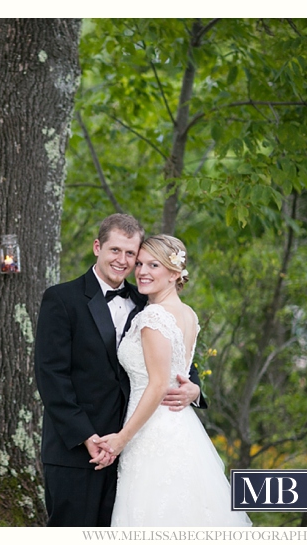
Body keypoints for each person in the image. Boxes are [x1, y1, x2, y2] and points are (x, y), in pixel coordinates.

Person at [34, 214, 205, 527]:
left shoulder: (148, 300)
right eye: (115, 250)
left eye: (131, 254)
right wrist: (87, 436)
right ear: (98, 247)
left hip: (134, 444)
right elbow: (51, 377)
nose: (123, 261)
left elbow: (176, 354)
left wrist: (194, 388)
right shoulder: (62, 299)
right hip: (77, 449)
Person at [95, 234, 251, 527]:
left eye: (154, 265)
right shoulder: (187, 314)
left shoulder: (154, 315)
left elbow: (157, 385)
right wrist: (192, 390)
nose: (142, 271)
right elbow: (177, 371)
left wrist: (121, 439)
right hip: (179, 425)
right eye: (139, 263)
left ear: (174, 273)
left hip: (151, 430)